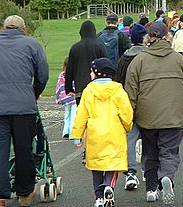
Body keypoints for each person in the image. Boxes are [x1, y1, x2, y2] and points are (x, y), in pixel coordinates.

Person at [125, 22, 183, 204]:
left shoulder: (138, 61)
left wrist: (129, 115)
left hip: (146, 117)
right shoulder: (179, 60)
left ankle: (151, 189)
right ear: (167, 37)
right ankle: (167, 177)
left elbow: (130, 91)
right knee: (169, 152)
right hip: (173, 115)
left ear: (148, 37)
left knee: (150, 153)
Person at [0, 15, 49, 207]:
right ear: (23, 28)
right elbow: (42, 74)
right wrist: (33, 93)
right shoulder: (32, 44)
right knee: (23, 149)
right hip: (23, 106)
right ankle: (24, 192)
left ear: (3, 28)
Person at [72, 57, 133, 207]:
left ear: (96, 73)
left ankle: (98, 197)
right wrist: (128, 126)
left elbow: (81, 114)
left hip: (95, 133)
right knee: (113, 165)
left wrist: (77, 134)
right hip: (115, 131)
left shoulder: (88, 91)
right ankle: (108, 186)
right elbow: (126, 112)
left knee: (96, 166)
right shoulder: (118, 90)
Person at [115, 23, 148, 191]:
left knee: (130, 137)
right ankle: (148, 170)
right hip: (147, 103)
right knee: (150, 138)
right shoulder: (148, 57)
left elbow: (118, 82)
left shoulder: (124, 58)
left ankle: (130, 172)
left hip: (128, 103)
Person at [66, 20, 106, 106]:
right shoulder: (100, 47)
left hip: (80, 88)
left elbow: (69, 70)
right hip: (97, 89)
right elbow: (105, 67)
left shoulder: (75, 48)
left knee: (82, 116)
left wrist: (68, 88)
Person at [55, 57, 76, 140]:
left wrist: (58, 98)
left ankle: (65, 131)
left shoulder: (62, 76)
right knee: (73, 115)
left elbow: (58, 88)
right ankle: (72, 133)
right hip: (73, 98)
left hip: (65, 98)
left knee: (67, 115)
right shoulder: (74, 75)